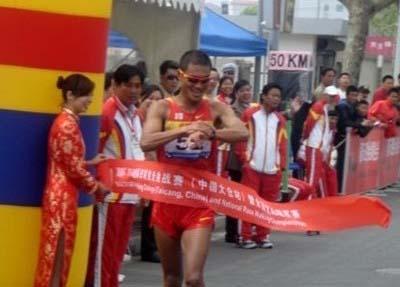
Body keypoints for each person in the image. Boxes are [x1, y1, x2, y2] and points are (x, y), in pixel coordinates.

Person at [140, 50, 248, 287]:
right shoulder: (161, 108)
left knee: (193, 278)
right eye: (193, 81)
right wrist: (182, 130)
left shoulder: (215, 109)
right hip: (167, 200)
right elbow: (145, 142)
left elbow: (242, 132)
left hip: (198, 202)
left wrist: (212, 132)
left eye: (205, 81)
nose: (199, 87)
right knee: (171, 278)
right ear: (180, 76)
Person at [34, 74, 108, 287]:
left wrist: (89, 162)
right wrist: (96, 187)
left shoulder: (66, 122)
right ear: (70, 95)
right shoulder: (67, 125)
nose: (90, 100)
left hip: (59, 195)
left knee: (55, 256)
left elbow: (68, 162)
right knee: (58, 257)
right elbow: (72, 169)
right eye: (86, 95)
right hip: (62, 199)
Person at [85, 65, 146, 287]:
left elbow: (138, 151)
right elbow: (95, 153)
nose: (133, 90)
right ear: (114, 85)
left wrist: (142, 188)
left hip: (130, 194)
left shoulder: (136, 115)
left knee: (118, 254)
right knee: (104, 253)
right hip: (110, 198)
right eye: (127, 85)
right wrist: (99, 187)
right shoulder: (107, 113)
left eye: (137, 86)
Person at [236, 83, 287, 249]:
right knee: (249, 203)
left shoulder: (280, 119)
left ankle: (262, 235)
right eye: (272, 95)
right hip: (252, 167)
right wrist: (245, 159)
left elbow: (283, 144)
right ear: (263, 96)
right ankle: (244, 236)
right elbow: (241, 139)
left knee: (267, 204)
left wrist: (282, 166)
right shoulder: (250, 114)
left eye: (278, 96)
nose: (275, 99)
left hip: (272, 169)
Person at [225, 80, 252, 243]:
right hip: (236, 157)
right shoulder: (231, 110)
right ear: (236, 93)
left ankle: (244, 229)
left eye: (248, 90)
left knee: (246, 196)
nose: (246, 93)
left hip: (251, 157)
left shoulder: (253, 109)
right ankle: (232, 231)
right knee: (235, 196)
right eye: (243, 90)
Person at [303, 86, 339, 197]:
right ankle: (307, 202)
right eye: (330, 96)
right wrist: (305, 137)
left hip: (319, 148)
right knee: (313, 178)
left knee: (319, 176)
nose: (333, 98)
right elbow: (309, 123)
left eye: (334, 96)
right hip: (314, 146)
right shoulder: (319, 106)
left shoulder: (325, 108)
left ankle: (322, 200)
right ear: (325, 95)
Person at [335, 85, 370, 193]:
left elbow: (357, 120)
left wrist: (361, 125)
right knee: (341, 164)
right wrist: (358, 125)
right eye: (352, 95)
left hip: (350, 139)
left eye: (356, 95)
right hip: (341, 138)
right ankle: (339, 187)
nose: (354, 97)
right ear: (347, 95)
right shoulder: (342, 106)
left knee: (348, 164)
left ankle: (344, 186)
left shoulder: (354, 106)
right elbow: (344, 122)